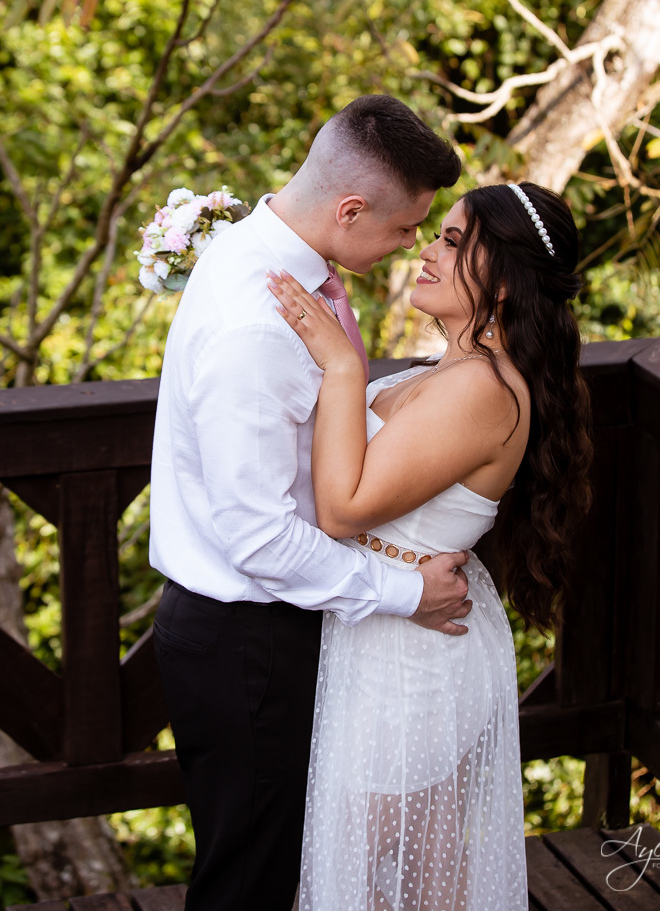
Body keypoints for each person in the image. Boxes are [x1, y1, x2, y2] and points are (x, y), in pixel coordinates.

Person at [149, 95, 470, 911]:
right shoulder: (257, 326)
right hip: (247, 640)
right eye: (404, 229)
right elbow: (259, 540)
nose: (411, 247)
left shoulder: (269, 256)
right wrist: (409, 595)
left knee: (274, 861)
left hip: (268, 629)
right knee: (250, 879)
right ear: (351, 208)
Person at [268, 180, 593, 911]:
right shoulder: (444, 372)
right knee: (426, 865)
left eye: (452, 241)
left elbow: (343, 509)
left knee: (359, 865)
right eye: (436, 235)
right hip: (400, 634)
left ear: (504, 282)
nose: (427, 252)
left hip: (411, 664)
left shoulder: (481, 387)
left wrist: (345, 365)